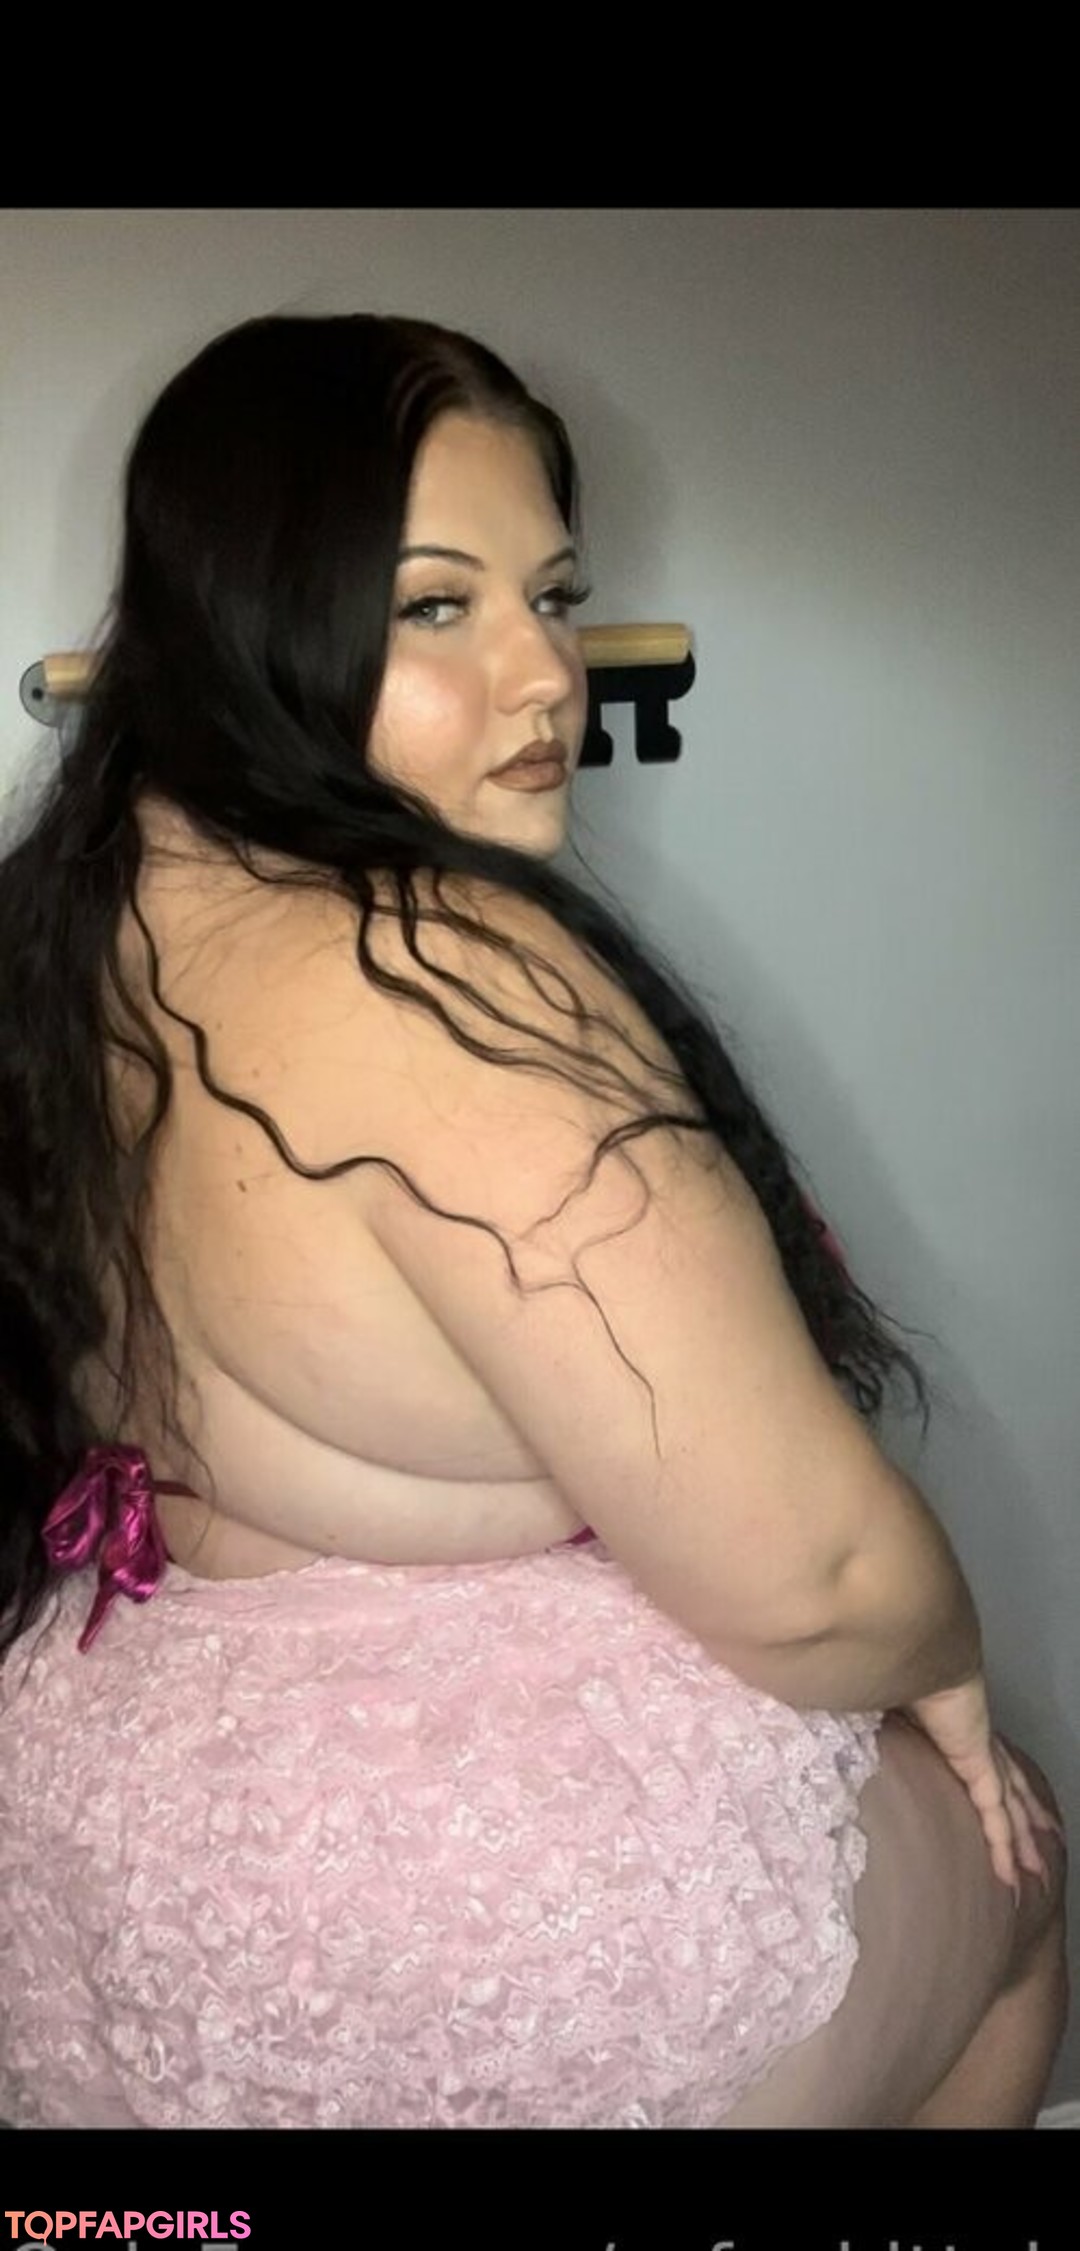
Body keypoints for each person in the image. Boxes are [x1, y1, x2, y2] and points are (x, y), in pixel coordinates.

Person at [0, 312, 1067, 2131]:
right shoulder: (436, 970)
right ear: (253, 612)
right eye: (437, 605)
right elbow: (815, 1579)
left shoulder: (78, 924)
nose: (545, 676)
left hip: (106, 1883)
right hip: (469, 1932)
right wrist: (949, 1667)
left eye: (554, 598)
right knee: (1024, 1881)